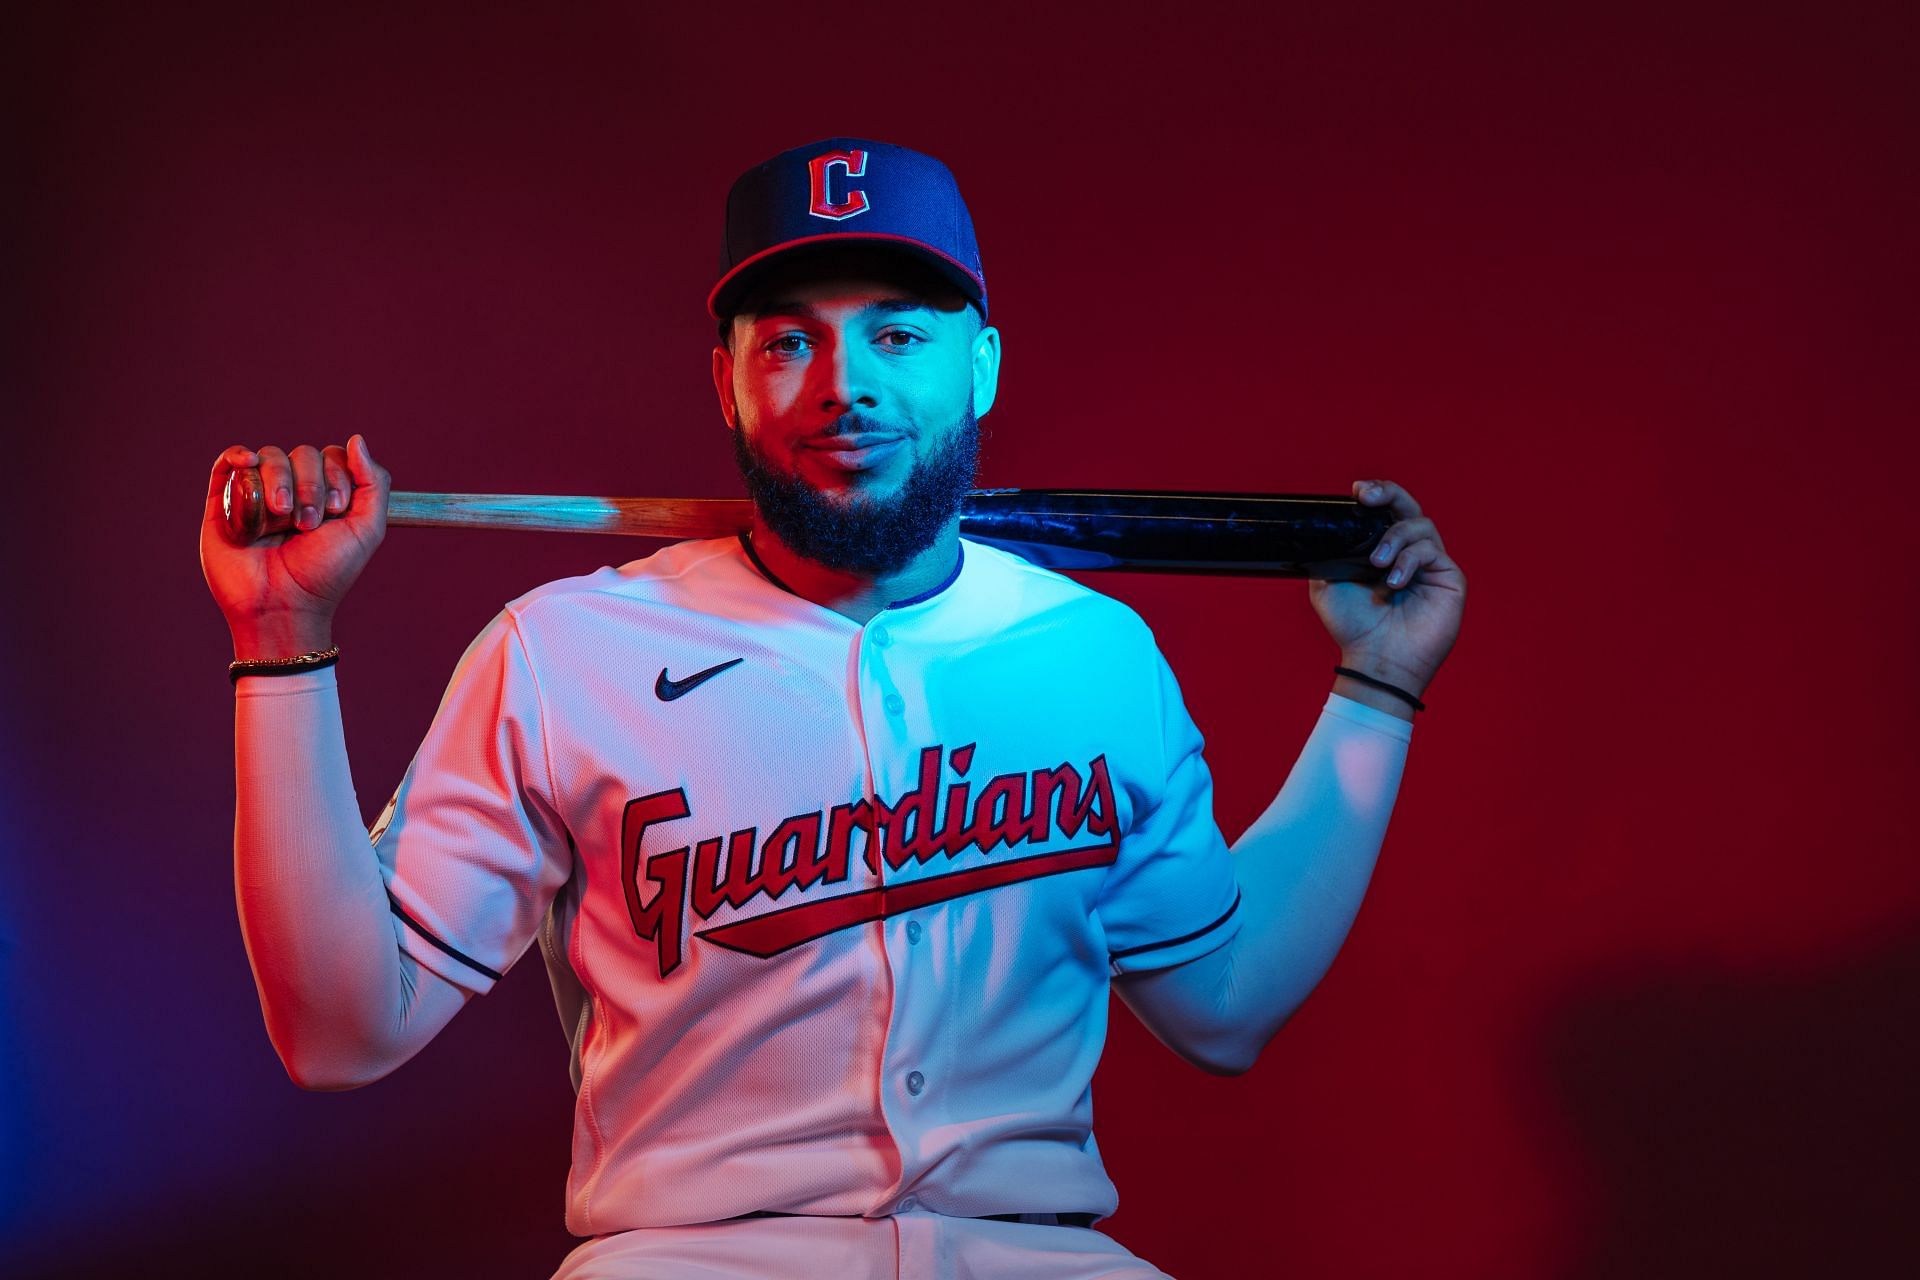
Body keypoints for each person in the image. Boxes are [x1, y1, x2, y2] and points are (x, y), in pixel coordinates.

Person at [198, 138, 1466, 1280]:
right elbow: (340, 1029)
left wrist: (1378, 687)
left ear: (981, 365)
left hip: (1032, 1253)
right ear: (726, 381)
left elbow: (1225, 1003)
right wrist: (279, 639)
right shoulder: (567, 649)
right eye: (789, 340)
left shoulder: (1091, 653)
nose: (841, 385)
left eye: (899, 337)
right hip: (687, 1259)